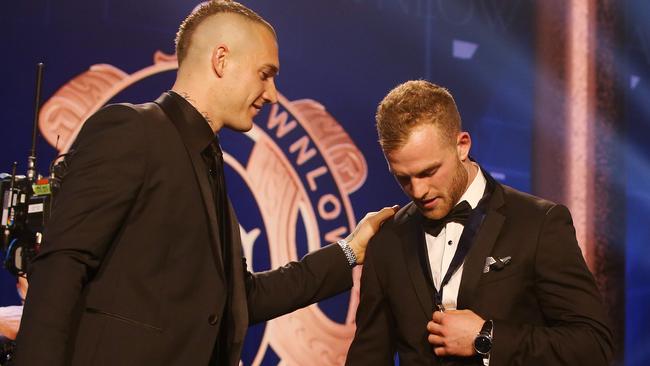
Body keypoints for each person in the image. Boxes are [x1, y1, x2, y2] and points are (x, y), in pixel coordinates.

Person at [13, 2, 397, 365]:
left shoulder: (206, 162)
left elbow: (241, 299)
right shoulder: (132, 130)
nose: (273, 95)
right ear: (221, 59)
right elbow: (63, 264)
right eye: (265, 74)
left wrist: (349, 251)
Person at [345, 80, 613, 366]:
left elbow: (593, 345)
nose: (418, 190)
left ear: (462, 145)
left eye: (429, 172)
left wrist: (486, 338)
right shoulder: (389, 239)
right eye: (403, 178)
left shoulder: (538, 224)